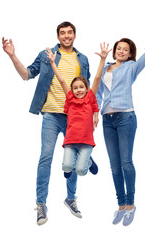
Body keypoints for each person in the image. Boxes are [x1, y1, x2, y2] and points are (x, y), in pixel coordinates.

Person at [2, 21, 98, 225]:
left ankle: (71, 198)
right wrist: (12, 55)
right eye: (62, 33)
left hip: (75, 117)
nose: (66, 36)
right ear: (58, 36)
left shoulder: (83, 59)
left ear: (74, 35)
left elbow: (88, 90)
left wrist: (95, 112)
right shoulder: (47, 55)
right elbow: (26, 75)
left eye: (69, 32)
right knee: (46, 157)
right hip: (51, 115)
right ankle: (40, 204)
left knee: (71, 160)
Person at [96, 13, 145, 226]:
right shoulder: (105, 68)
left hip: (125, 118)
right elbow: (96, 92)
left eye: (125, 49)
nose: (121, 51)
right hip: (107, 119)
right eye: (119, 48)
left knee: (126, 163)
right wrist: (96, 112)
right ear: (114, 51)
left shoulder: (132, 67)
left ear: (130, 53)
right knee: (114, 166)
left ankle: (131, 204)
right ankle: (121, 205)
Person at [45, 43, 111, 178]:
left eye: (81, 87)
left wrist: (102, 59)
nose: (78, 90)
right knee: (67, 167)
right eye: (75, 88)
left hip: (86, 142)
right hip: (70, 141)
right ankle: (74, 162)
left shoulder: (90, 98)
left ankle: (88, 162)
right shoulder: (70, 99)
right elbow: (62, 80)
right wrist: (53, 63)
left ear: (86, 89)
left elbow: (97, 78)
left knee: (81, 171)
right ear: (72, 90)